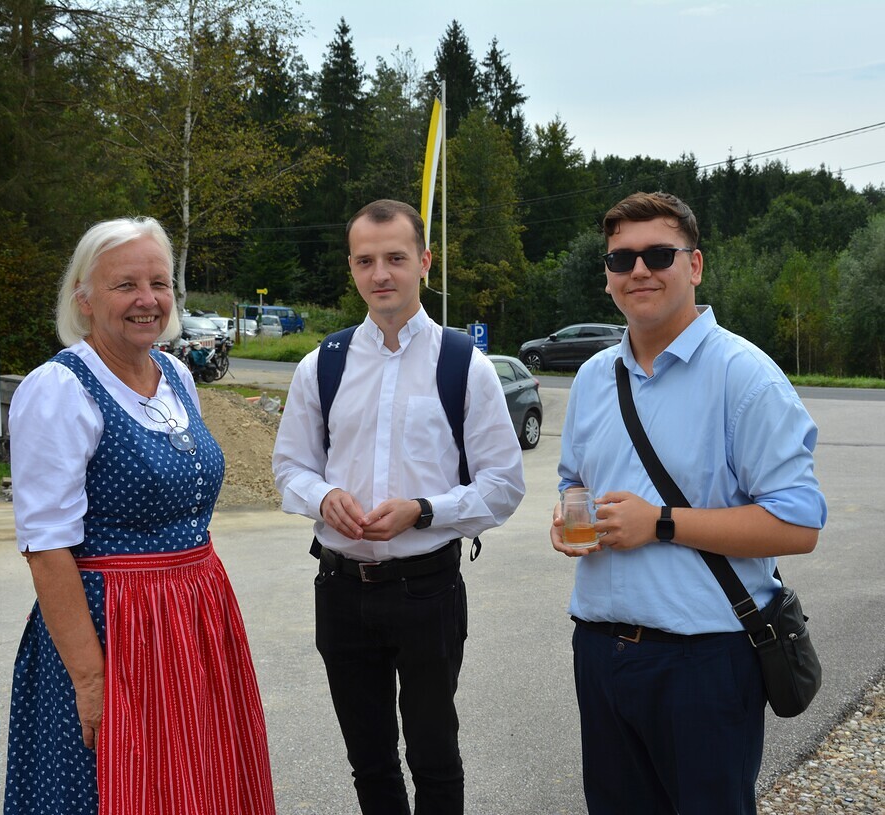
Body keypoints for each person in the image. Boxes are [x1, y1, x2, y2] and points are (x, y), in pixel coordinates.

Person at [551, 191, 827, 815]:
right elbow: (573, 482)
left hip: (705, 661)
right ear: (607, 275)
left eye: (658, 255)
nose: (638, 270)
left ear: (694, 265)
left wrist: (661, 524)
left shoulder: (745, 375)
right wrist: (568, 517)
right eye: (621, 259)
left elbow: (797, 525)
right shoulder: (594, 377)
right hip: (600, 650)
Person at [3, 217, 275, 815]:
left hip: (195, 618)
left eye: (159, 283)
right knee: (114, 785)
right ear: (84, 297)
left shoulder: (175, 374)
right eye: (125, 284)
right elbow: (45, 546)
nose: (147, 299)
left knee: (199, 782)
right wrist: (90, 680)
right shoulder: (59, 389)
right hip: (113, 629)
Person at [272, 199, 525, 815]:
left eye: (395, 258)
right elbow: (290, 468)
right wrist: (323, 496)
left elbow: (503, 484)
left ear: (424, 262)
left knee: (434, 757)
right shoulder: (322, 364)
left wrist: (424, 510)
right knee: (369, 760)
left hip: (426, 590)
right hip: (340, 589)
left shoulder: (464, 364)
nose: (380, 273)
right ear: (351, 268)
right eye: (365, 261)